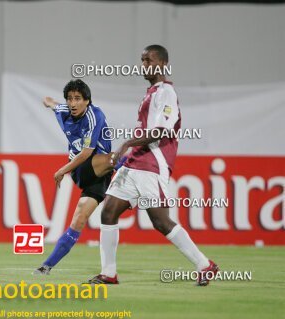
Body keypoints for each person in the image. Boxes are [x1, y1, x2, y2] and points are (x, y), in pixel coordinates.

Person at [87, 45, 219, 286]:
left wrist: (126, 144)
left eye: (149, 60)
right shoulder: (151, 93)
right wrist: (127, 154)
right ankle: (108, 273)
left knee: (160, 221)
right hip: (135, 163)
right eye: (142, 60)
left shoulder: (166, 92)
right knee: (108, 211)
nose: (144, 65)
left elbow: (159, 131)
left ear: (163, 64)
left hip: (151, 165)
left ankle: (205, 265)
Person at [33, 79, 124, 275]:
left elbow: (86, 151)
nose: (73, 103)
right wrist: (48, 102)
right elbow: (50, 102)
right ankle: (138, 160)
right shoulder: (64, 111)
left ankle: (46, 266)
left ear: (87, 101)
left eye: (78, 99)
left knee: (79, 220)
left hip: (99, 173)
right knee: (118, 158)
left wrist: (61, 170)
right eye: (70, 99)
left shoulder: (94, 115)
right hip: (81, 169)